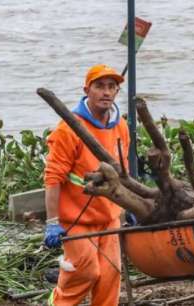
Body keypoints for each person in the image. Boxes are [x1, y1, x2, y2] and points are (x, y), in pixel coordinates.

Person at [44, 64, 130, 306]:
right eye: (99, 86)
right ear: (87, 90)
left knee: (110, 277)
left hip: (109, 216)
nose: (106, 92)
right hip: (76, 220)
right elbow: (53, 178)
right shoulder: (68, 130)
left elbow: (124, 171)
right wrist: (52, 223)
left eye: (112, 87)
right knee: (85, 271)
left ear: (116, 92)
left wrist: (130, 206)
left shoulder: (120, 126)